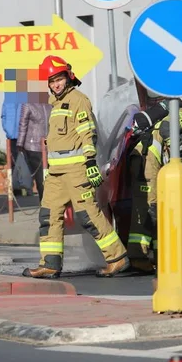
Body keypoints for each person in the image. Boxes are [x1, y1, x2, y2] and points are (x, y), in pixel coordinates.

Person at [23, 55, 128, 279]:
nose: (55, 84)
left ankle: (117, 258)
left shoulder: (79, 100)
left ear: (68, 77)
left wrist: (90, 162)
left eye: (58, 79)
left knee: (88, 215)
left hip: (76, 170)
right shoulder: (56, 103)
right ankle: (50, 264)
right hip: (56, 173)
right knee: (48, 216)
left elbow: (87, 132)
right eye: (51, 81)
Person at [126, 102, 182, 273]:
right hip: (147, 162)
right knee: (147, 208)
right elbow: (167, 128)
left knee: (160, 211)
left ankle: (162, 257)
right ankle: (138, 257)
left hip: (153, 163)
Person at [16, 95, 52, 200]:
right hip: (33, 147)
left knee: (52, 179)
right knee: (41, 180)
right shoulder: (28, 103)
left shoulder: (51, 101)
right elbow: (23, 124)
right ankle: (45, 206)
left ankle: (51, 206)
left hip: (51, 146)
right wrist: (20, 144)